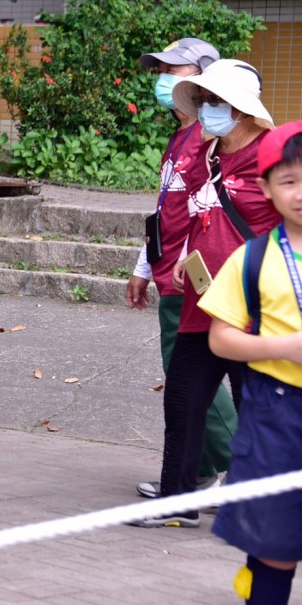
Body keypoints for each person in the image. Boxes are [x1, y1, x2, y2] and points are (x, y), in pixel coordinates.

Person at [130, 59, 279, 528]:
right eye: (205, 101)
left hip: (256, 311)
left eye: (216, 102)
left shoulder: (274, 158)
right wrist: (181, 258)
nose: (206, 111)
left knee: (260, 410)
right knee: (182, 400)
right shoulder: (208, 157)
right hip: (203, 301)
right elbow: (197, 218)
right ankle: (176, 504)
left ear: (241, 109)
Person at [125, 38, 239, 499]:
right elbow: (166, 209)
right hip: (171, 269)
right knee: (187, 377)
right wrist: (144, 266)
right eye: (161, 70)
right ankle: (202, 471)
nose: (164, 79)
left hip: (195, 276)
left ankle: (241, 469)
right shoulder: (181, 138)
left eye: (176, 70)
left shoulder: (211, 138)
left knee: (192, 377)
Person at [200, 121, 302, 605]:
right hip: (276, 413)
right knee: (275, 545)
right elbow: (221, 341)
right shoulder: (252, 259)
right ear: (265, 188)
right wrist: (286, 348)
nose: (300, 193)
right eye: (289, 181)